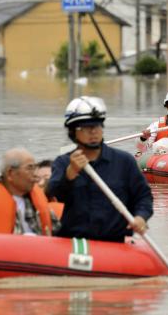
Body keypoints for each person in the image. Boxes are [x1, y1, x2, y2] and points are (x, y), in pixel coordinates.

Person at [46, 96, 153, 242]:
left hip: (114, 242)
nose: (93, 132)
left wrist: (141, 217)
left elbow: (143, 197)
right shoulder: (63, 163)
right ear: (73, 132)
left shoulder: (124, 162)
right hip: (75, 243)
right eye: (86, 128)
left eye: (97, 126)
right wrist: (70, 174)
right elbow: (53, 195)